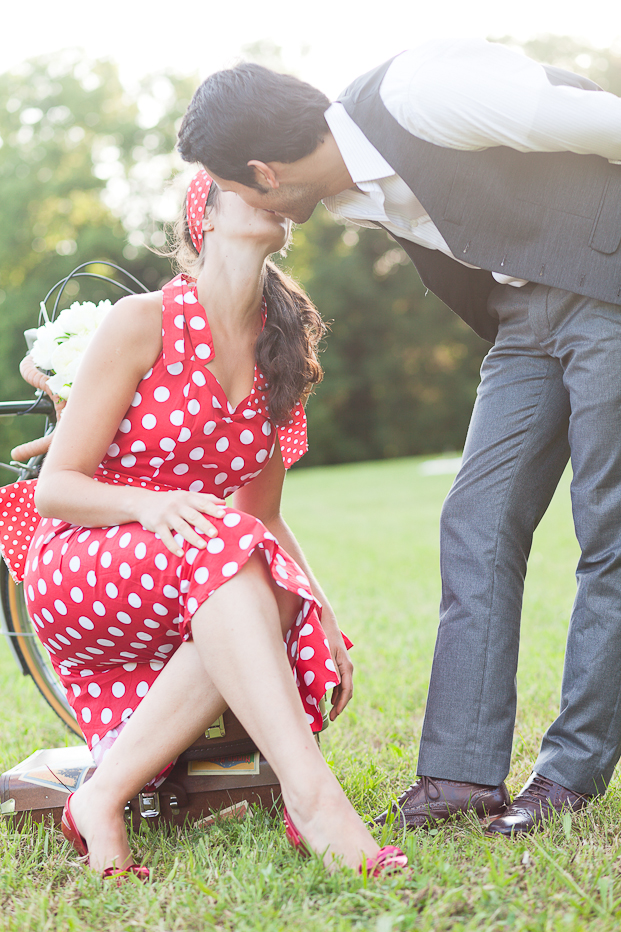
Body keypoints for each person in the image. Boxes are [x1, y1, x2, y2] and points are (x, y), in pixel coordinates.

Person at [175, 38, 621, 835]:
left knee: (608, 526)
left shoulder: (422, 87)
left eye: (233, 187)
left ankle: (569, 771)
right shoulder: (350, 191)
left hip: (608, 285)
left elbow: (599, 121)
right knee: (475, 521)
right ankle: (459, 774)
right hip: (523, 320)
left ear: (264, 176)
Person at [0, 170, 406, 876]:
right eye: (242, 181)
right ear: (206, 217)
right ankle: (313, 801)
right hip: (84, 563)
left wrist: (321, 614)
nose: (269, 188)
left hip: (201, 560)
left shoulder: (280, 352)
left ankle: (99, 798)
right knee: (227, 540)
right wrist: (151, 504)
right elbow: (58, 489)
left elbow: (265, 516)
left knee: (273, 583)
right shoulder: (143, 321)